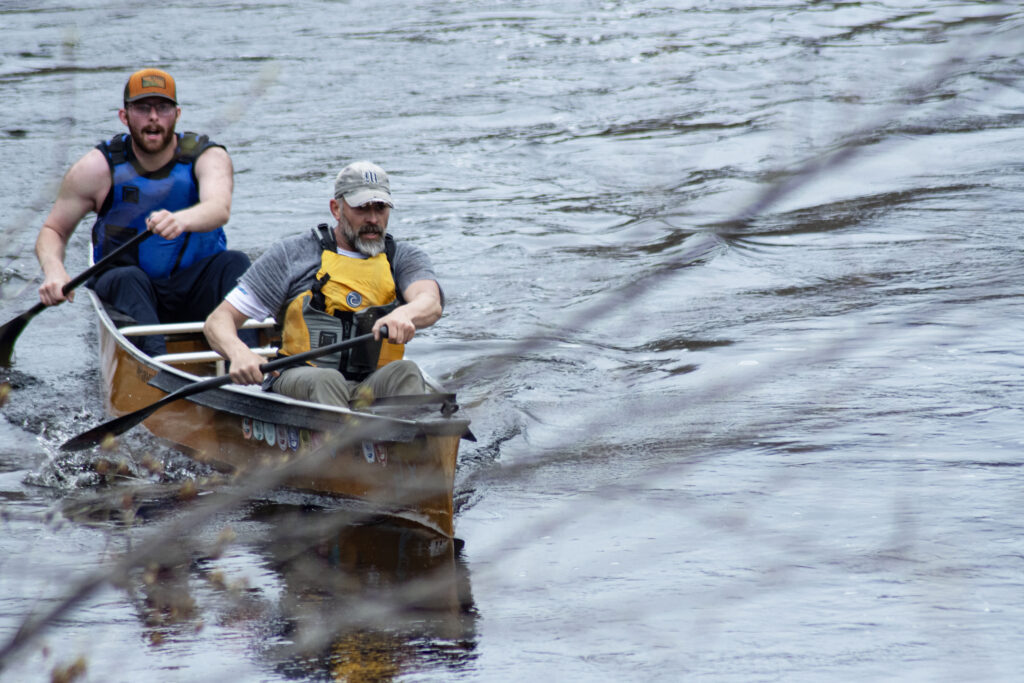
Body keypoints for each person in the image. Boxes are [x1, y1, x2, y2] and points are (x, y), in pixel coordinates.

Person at [34, 67, 255, 356]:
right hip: (129, 291)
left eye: (163, 108)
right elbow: (53, 230)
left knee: (235, 262)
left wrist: (180, 220)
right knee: (127, 278)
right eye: (142, 108)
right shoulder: (96, 168)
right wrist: (54, 271)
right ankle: (155, 364)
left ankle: (250, 362)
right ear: (124, 116)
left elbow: (218, 208)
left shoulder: (207, 156)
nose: (153, 117)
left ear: (177, 115)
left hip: (194, 287)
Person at [204, 161, 442, 407]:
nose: (373, 219)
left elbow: (430, 302)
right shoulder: (292, 254)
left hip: (372, 384)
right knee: (327, 380)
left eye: (380, 208)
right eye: (361, 208)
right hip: (301, 379)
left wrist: (405, 313)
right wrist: (239, 353)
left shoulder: (403, 257)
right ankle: (340, 432)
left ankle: (402, 430)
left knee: (406, 371)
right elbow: (218, 321)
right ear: (336, 209)